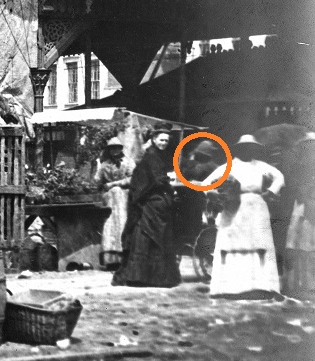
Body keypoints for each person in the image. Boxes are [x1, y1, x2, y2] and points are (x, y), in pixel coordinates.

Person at [201, 134, 284, 299]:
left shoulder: (261, 166)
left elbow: (279, 177)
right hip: (234, 208)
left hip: (257, 207)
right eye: (244, 148)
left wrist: (271, 191)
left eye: (251, 148)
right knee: (233, 244)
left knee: (259, 243)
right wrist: (215, 195)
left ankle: (262, 285)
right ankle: (229, 287)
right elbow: (205, 183)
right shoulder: (230, 166)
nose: (248, 151)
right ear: (238, 149)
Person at [113, 127, 181, 289]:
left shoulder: (157, 155)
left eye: (166, 141)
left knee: (151, 236)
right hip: (151, 201)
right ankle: (145, 277)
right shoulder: (151, 156)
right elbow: (157, 180)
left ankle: (146, 276)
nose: (164, 143)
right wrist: (170, 185)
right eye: (161, 140)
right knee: (149, 235)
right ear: (154, 139)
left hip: (155, 199)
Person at [282, 134, 315, 299]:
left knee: (310, 246)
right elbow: (293, 185)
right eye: (308, 146)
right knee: (298, 244)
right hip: (301, 206)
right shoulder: (298, 166)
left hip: (311, 202)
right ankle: (296, 284)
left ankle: (310, 284)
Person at [94, 137, 131, 270]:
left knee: (123, 222)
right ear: (108, 150)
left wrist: (115, 184)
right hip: (110, 199)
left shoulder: (128, 162)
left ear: (121, 149)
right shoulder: (105, 165)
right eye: (112, 148)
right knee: (110, 226)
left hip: (125, 198)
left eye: (117, 148)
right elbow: (97, 181)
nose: (115, 150)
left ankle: (125, 257)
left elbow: (134, 178)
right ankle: (111, 259)